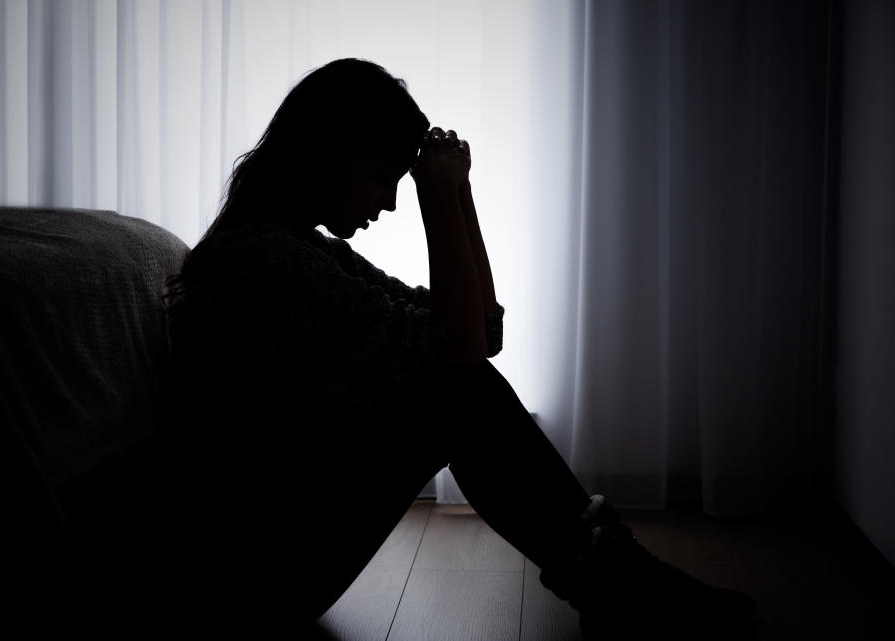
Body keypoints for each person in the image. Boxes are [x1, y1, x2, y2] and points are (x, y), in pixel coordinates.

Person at [156, 58, 758, 639]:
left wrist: (457, 195)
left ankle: (619, 584)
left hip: (280, 552)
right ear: (334, 155)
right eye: (384, 177)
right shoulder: (260, 260)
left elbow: (479, 333)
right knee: (453, 393)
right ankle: (620, 586)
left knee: (455, 383)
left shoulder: (304, 252)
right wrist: (439, 201)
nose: (388, 202)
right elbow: (463, 352)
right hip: (253, 579)